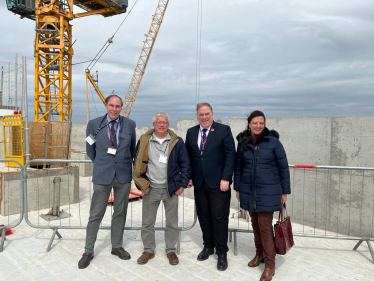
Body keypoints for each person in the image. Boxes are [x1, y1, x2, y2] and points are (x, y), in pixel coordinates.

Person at [78, 94, 136, 269]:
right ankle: (88, 250)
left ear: (121, 107)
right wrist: (103, 163)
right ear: (106, 105)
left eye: (118, 106)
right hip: (102, 174)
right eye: (111, 105)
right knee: (96, 213)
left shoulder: (130, 124)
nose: (114, 109)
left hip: (123, 175)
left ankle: (116, 246)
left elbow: (132, 149)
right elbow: (90, 149)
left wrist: (121, 164)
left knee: (120, 213)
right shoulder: (94, 124)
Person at [234, 110, 290, 281]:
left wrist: (284, 191)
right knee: (255, 225)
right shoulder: (243, 142)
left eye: (261, 123)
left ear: (264, 124)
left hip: (269, 190)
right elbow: (239, 167)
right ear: (249, 124)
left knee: (265, 226)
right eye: (255, 123)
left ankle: (270, 265)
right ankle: (260, 254)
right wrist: (237, 188)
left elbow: (283, 168)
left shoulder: (273, 142)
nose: (258, 126)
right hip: (249, 190)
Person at [133, 112, 190, 265]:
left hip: (170, 189)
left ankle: (171, 250)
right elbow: (137, 162)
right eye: (159, 122)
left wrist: (182, 185)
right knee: (147, 222)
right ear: (154, 124)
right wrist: (141, 184)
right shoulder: (145, 140)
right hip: (150, 188)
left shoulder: (177, 141)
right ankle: (148, 250)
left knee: (172, 222)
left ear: (168, 124)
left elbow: (185, 164)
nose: (162, 124)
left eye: (165, 122)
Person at [185, 102, 236, 271]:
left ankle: (222, 252)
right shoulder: (191, 133)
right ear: (197, 116)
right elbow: (190, 158)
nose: (204, 117)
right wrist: (190, 177)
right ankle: (208, 246)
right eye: (201, 114)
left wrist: (226, 178)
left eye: (207, 114)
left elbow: (230, 156)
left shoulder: (223, 130)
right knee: (204, 216)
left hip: (219, 183)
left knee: (219, 218)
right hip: (200, 183)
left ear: (212, 114)